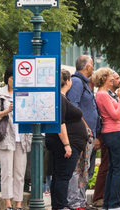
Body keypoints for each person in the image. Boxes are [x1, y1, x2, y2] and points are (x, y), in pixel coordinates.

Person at [0, 64, 32, 210]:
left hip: (22, 138)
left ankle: (18, 204)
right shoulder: (0, 94)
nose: (14, 81)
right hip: (6, 138)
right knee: (7, 172)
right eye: (12, 78)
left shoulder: (25, 92)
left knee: (19, 173)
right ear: (7, 78)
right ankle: (8, 204)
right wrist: (7, 111)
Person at [48, 69, 90, 210]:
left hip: (67, 142)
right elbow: (60, 123)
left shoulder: (62, 98)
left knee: (59, 175)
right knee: (63, 176)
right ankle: (60, 206)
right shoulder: (60, 98)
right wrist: (66, 144)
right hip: (65, 143)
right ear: (67, 81)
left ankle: (58, 205)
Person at [94, 68, 120, 210]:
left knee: (113, 168)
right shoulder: (103, 95)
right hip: (113, 132)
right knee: (118, 168)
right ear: (104, 79)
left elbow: (119, 108)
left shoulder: (103, 94)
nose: (112, 79)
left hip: (111, 132)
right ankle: (114, 204)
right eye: (110, 77)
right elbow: (115, 114)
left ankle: (108, 203)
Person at [67, 55, 99, 181]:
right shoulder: (77, 82)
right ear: (88, 67)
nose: (93, 69)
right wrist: (85, 127)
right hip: (82, 134)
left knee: (85, 171)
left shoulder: (84, 83)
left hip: (87, 134)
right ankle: (75, 200)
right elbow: (73, 106)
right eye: (92, 65)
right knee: (79, 170)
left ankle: (79, 199)